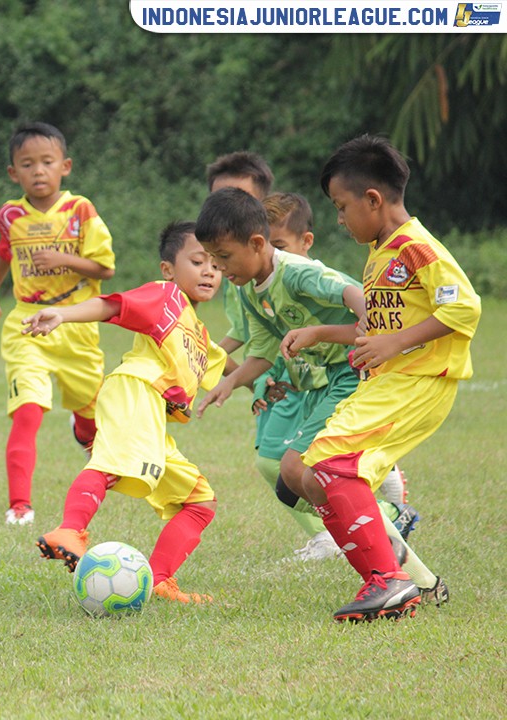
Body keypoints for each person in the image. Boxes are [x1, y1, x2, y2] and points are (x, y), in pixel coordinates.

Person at [278, 134, 478, 621]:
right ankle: (410, 581)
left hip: (419, 381)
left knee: (334, 467)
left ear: (373, 199)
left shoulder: (417, 247)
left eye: (341, 207)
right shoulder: (380, 254)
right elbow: (378, 328)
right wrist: (326, 333)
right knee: (312, 477)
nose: (339, 220)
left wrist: (394, 344)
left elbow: (464, 308)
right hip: (388, 384)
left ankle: (386, 582)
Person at [28, 222, 227, 604]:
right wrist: (63, 315)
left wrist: (264, 379)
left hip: (153, 415)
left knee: (200, 501)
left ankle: (160, 580)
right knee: (110, 464)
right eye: (198, 261)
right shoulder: (166, 296)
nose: (208, 271)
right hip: (136, 391)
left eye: (216, 266)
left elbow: (226, 364)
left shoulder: (198, 331)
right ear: (168, 269)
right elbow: (113, 305)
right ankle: (69, 530)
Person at [255, 193, 415, 561]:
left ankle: (375, 526)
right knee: (291, 481)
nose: (273, 256)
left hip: (349, 376)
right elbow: (277, 342)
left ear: (305, 242)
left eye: (279, 246)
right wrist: (270, 377)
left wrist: (362, 321)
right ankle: (369, 528)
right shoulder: (264, 286)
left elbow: (359, 308)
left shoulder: (304, 274)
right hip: (316, 383)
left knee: (301, 473)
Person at [0, 122, 116, 526]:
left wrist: (65, 260)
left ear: (65, 166)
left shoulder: (80, 211)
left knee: (90, 421)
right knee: (28, 411)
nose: (38, 171)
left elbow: (105, 269)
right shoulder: (11, 214)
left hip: (77, 325)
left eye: (47, 162)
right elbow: (5, 251)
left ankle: (90, 442)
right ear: (13, 173)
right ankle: (19, 505)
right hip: (28, 326)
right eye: (27, 164)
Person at [205, 151, 275, 358]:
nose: (229, 210)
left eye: (240, 198)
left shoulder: (281, 262)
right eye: (220, 201)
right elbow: (242, 328)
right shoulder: (229, 263)